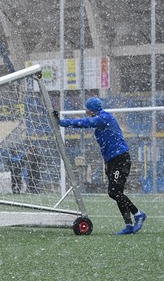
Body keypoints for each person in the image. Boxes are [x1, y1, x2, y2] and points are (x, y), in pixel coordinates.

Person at [54, 96, 147, 235]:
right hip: (113, 160)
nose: (86, 112)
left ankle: (138, 214)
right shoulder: (101, 119)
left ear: (92, 111)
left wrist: (62, 123)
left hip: (120, 159)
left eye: (87, 110)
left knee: (114, 192)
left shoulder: (103, 118)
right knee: (117, 193)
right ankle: (128, 224)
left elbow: (84, 123)